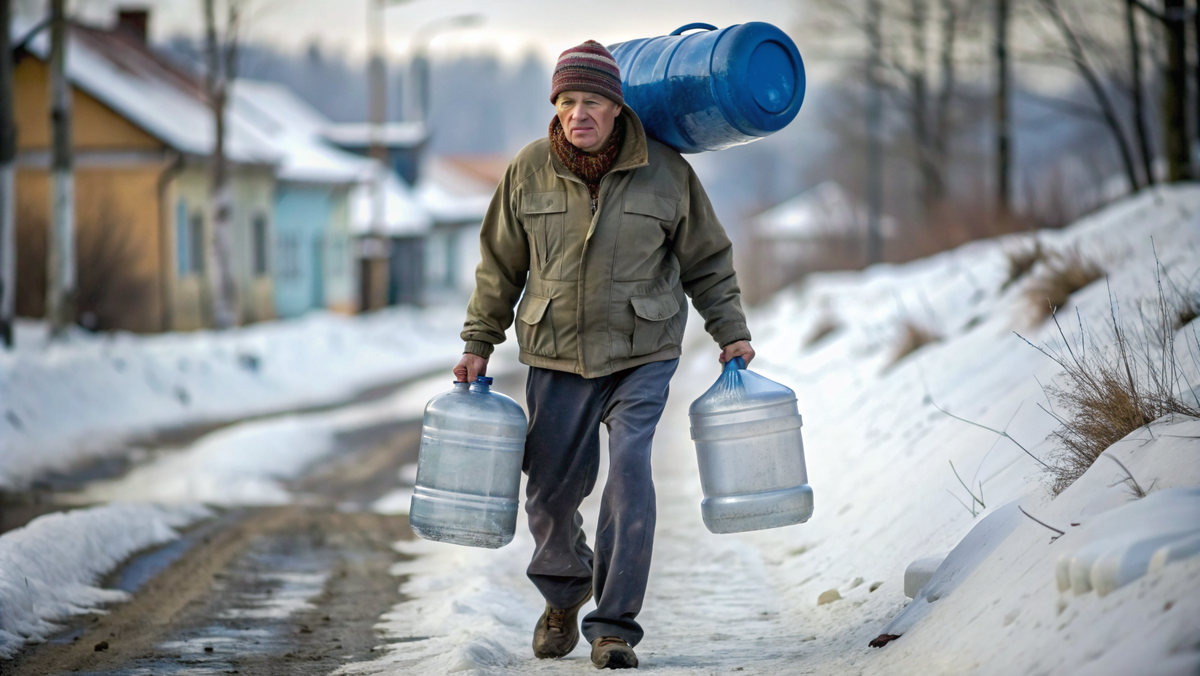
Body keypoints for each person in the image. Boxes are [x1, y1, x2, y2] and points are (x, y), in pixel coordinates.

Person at [453, 39, 754, 670]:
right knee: (551, 493)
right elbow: (500, 266)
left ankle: (614, 626)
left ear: (617, 107)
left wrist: (729, 329)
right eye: (567, 102)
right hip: (556, 352)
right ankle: (564, 591)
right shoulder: (528, 169)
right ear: (555, 107)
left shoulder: (668, 172)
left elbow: (706, 259)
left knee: (630, 474)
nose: (578, 114)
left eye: (591, 101)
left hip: (643, 349)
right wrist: (479, 341)